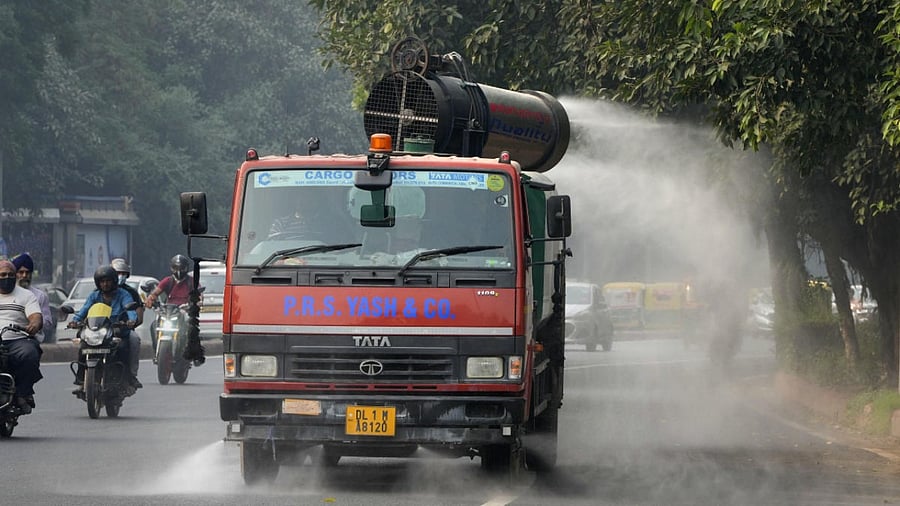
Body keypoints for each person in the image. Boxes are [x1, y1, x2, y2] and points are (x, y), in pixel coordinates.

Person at [68, 265, 139, 392]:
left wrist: (131, 320)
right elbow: (84, 310)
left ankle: (129, 378)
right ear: (98, 283)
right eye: (102, 281)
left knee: (129, 343)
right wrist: (74, 321)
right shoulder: (94, 296)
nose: (105, 284)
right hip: (97, 330)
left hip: (118, 330)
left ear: (114, 281)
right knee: (83, 347)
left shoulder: (124, 294)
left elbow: (130, 309)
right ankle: (82, 379)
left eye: (108, 281)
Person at [0, 260, 43, 414]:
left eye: (10, 275)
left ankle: (23, 393)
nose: (6, 278)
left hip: (17, 339)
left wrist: (34, 324)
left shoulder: (26, 295)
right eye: (3, 275)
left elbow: (35, 316)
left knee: (30, 354)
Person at [145, 254, 197, 353]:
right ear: (171, 268)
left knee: (191, 327)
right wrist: (150, 299)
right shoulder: (167, 281)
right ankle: (156, 350)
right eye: (175, 268)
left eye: (181, 268)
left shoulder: (192, 282)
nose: (178, 271)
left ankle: (193, 352)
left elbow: (198, 295)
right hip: (168, 310)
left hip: (184, 310)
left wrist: (196, 302)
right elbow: (155, 293)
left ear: (186, 268)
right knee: (154, 325)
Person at [111, 258, 143, 388]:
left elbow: (138, 315)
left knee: (134, 340)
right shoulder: (97, 293)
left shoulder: (130, 293)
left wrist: (132, 322)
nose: (120, 276)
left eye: (123, 273)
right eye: (117, 273)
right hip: (102, 328)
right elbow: (89, 308)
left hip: (124, 329)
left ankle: (131, 375)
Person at [11, 253, 53, 344]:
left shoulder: (40, 296)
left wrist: (35, 323)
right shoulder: (7, 293)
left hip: (30, 340)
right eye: (21, 272)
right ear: (15, 274)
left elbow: (48, 323)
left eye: (27, 272)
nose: (24, 275)